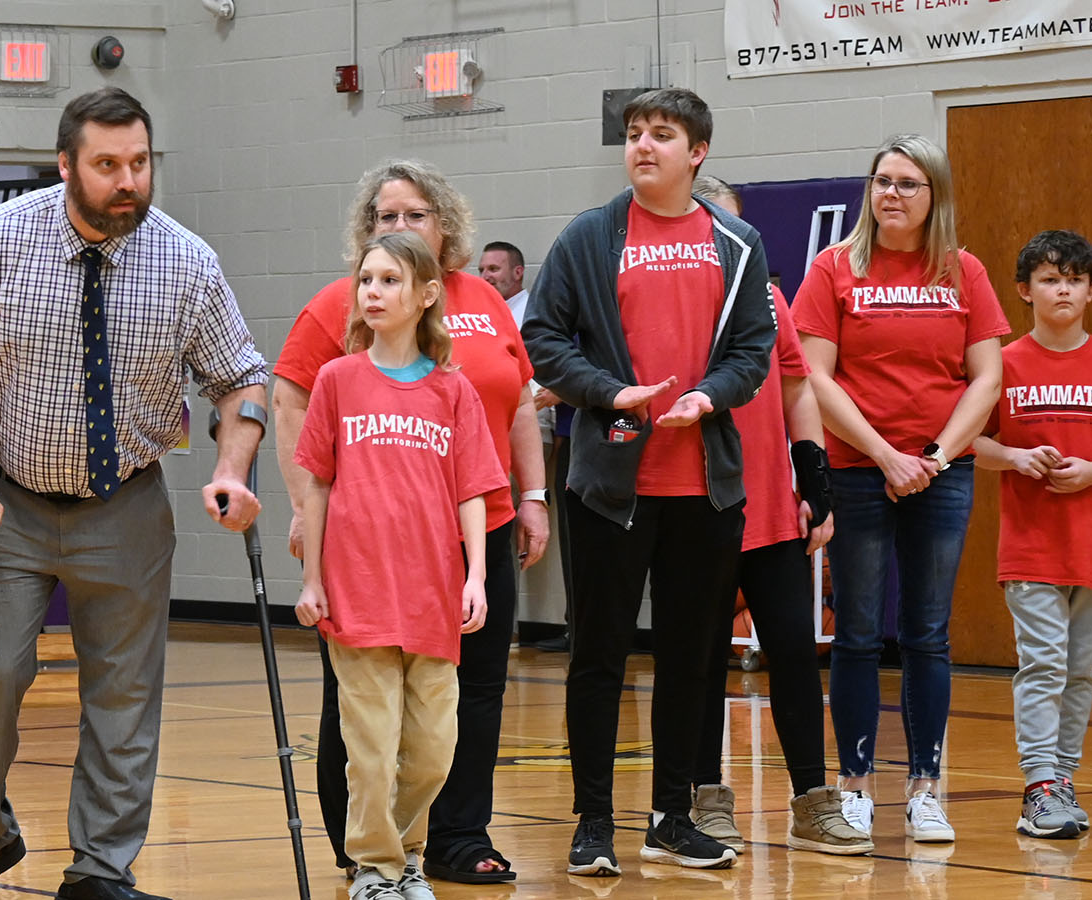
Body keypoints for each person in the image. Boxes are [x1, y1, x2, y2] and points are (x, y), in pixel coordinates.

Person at [0, 86, 268, 900]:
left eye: (139, 163)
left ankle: (100, 868)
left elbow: (243, 378)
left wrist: (231, 469)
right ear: (67, 164)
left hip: (127, 503)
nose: (127, 182)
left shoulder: (185, 259)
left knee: (125, 692)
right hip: (9, 497)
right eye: (107, 166)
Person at [521, 87, 771, 876]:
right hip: (609, 489)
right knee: (598, 655)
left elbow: (754, 347)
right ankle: (594, 821)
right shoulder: (589, 237)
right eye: (634, 134)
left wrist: (712, 395)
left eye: (662, 134)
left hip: (705, 486)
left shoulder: (736, 241)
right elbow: (542, 338)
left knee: (691, 658)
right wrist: (606, 390)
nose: (644, 146)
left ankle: (671, 814)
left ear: (697, 152)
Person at [271, 159, 542, 887]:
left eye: (413, 215)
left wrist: (511, 530)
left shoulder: (466, 339)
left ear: (442, 231)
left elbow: (500, 436)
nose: (397, 231)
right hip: (361, 565)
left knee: (442, 729)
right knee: (366, 725)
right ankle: (373, 859)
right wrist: (308, 542)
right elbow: (307, 446)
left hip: (448, 563)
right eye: (384, 221)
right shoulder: (338, 348)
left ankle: (434, 841)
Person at [796, 133, 1005, 844]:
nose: (890, 193)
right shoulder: (832, 269)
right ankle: (854, 785)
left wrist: (935, 457)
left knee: (928, 634)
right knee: (856, 635)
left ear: (934, 194)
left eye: (907, 183)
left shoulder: (963, 271)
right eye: (882, 181)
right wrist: (886, 455)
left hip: (941, 476)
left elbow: (987, 378)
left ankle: (926, 788)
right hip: (860, 474)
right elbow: (815, 377)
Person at [294, 232, 504, 900]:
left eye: (389, 281)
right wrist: (312, 579)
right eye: (366, 280)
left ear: (426, 296)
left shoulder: (452, 390)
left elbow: (472, 488)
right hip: (357, 596)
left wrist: (474, 575)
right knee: (372, 747)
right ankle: (377, 867)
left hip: (433, 596)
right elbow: (318, 486)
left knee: (434, 748)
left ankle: (408, 851)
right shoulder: (337, 380)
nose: (373, 293)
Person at [682, 176, 870, 858]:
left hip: (771, 514)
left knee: (793, 653)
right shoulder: (668, 301)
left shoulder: (766, 297)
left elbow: (797, 385)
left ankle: (812, 802)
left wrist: (815, 479)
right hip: (693, 510)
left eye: (736, 229)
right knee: (700, 661)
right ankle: (704, 799)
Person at [975, 230, 1092, 840]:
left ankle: (1062, 780)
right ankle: (1038, 787)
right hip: (1031, 545)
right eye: (1051, 279)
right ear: (1025, 291)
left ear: (1090, 292)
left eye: (1075, 279)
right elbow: (968, 442)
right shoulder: (1002, 363)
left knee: (1082, 672)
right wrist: (1015, 458)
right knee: (1045, 661)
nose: (1064, 289)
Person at [478, 240, 526, 322]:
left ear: (517, 273)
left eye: (493, 269)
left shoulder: (531, 314)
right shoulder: (477, 314)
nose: (484, 277)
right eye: (481, 270)